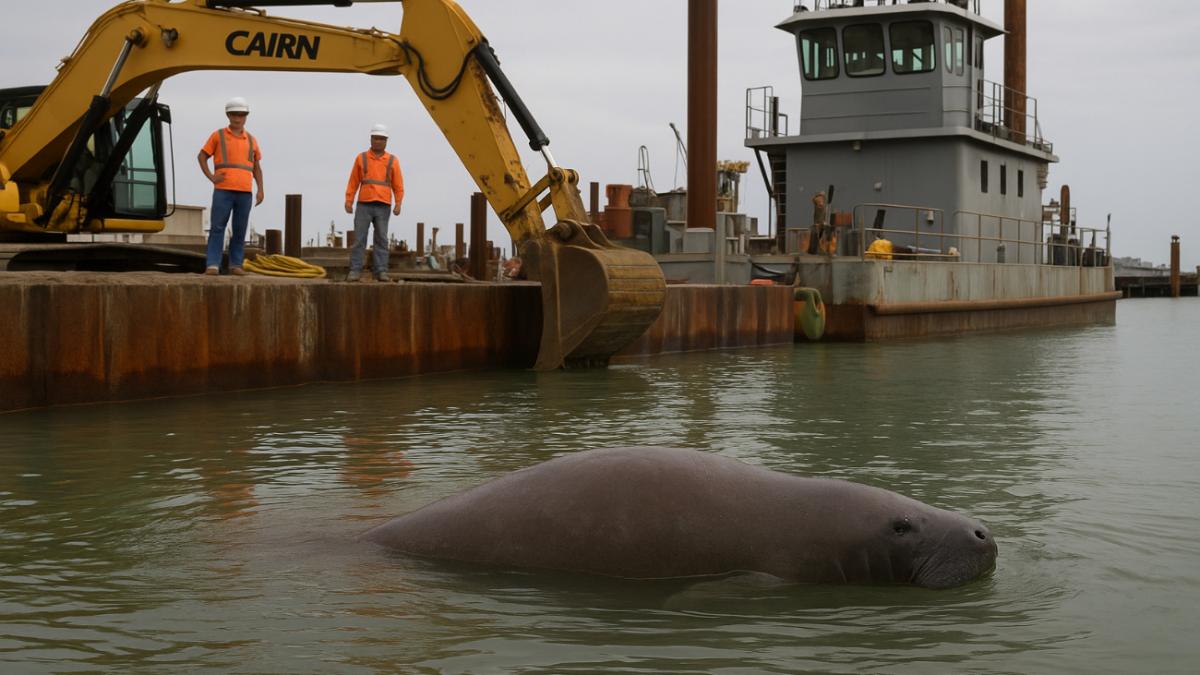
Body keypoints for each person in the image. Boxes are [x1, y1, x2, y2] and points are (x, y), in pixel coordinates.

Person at [197, 97, 264, 276]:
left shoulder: (252, 140)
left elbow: (256, 167)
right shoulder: (218, 136)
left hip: (245, 192)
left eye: (241, 115)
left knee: (240, 230)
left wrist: (260, 189)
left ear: (246, 116)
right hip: (223, 190)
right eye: (234, 114)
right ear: (228, 115)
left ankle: (235, 265)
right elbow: (202, 156)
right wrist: (211, 177)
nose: (237, 118)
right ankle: (213, 264)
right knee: (217, 227)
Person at [344, 123, 404, 282]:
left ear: (386, 141)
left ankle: (381, 271)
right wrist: (349, 200)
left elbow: (398, 185)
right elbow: (353, 181)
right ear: (371, 139)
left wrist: (398, 203)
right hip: (364, 204)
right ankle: (355, 270)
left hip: (383, 205)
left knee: (382, 240)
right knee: (359, 239)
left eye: (382, 139)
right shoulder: (361, 158)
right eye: (376, 138)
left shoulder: (392, 160)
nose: (378, 141)